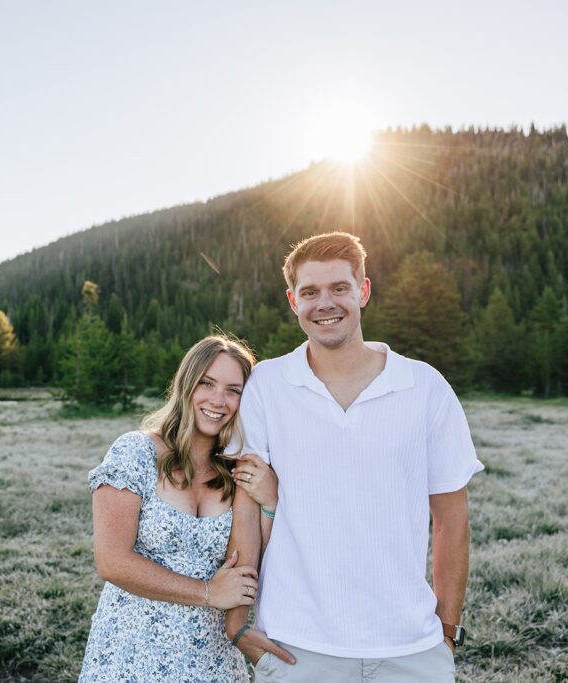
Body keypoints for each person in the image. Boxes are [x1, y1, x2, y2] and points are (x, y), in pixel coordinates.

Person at [225, 231, 483, 682]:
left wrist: (446, 632)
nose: (325, 303)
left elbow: (451, 518)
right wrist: (238, 623)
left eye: (339, 288)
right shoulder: (267, 385)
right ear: (293, 301)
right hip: (296, 647)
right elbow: (246, 506)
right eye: (310, 292)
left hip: (411, 649)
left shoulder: (424, 387)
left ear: (363, 291)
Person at [79, 335, 276, 682]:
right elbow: (111, 561)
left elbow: (255, 562)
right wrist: (207, 592)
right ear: (187, 384)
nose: (219, 400)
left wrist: (271, 501)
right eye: (207, 383)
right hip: (130, 655)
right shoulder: (135, 453)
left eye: (234, 390)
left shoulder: (237, 472)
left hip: (211, 661)